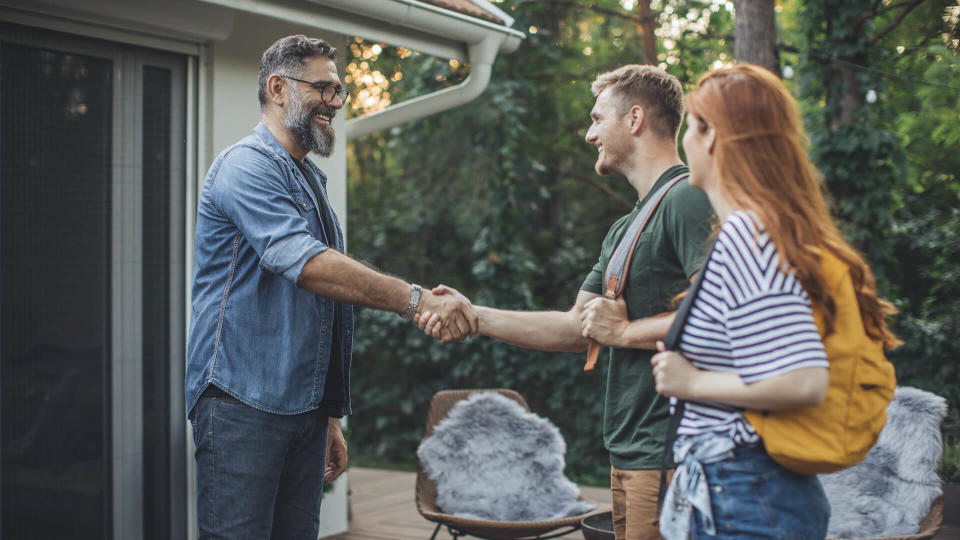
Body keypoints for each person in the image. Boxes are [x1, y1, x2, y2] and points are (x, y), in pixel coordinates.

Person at [184, 35, 477, 539]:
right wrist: (416, 300)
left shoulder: (308, 180)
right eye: (323, 88)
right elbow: (309, 266)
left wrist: (328, 417)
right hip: (241, 405)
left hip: (301, 411)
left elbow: (320, 311)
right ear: (278, 88)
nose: (336, 102)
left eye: (339, 91)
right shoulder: (245, 167)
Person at [419, 65, 713, 540]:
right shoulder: (627, 226)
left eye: (598, 119)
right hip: (631, 453)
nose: (589, 133)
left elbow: (718, 312)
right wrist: (472, 313)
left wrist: (624, 333)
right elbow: (578, 329)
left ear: (634, 119)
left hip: (671, 450)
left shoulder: (687, 200)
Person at [650, 64, 902, 539]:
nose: (683, 142)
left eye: (690, 126)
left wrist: (692, 381)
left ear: (712, 137)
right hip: (750, 493)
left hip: (743, 495)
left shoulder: (749, 233)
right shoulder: (767, 233)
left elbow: (802, 381)